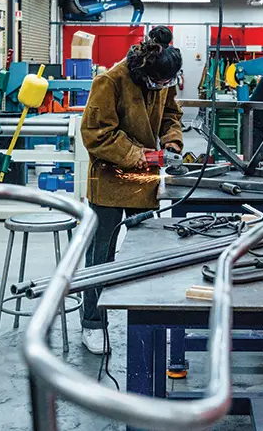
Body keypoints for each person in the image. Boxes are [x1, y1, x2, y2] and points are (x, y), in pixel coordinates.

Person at [79, 26, 184, 354]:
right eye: (159, 83)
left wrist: (172, 141)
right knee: (101, 255)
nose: (163, 89)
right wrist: (140, 154)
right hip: (110, 180)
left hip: (144, 181)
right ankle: (93, 324)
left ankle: (148, 318)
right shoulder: (111, 81)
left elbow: (170, 114)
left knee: (147, 252)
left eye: (168, 84)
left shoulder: (162, 77)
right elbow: (96, 133)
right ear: (144, 71)